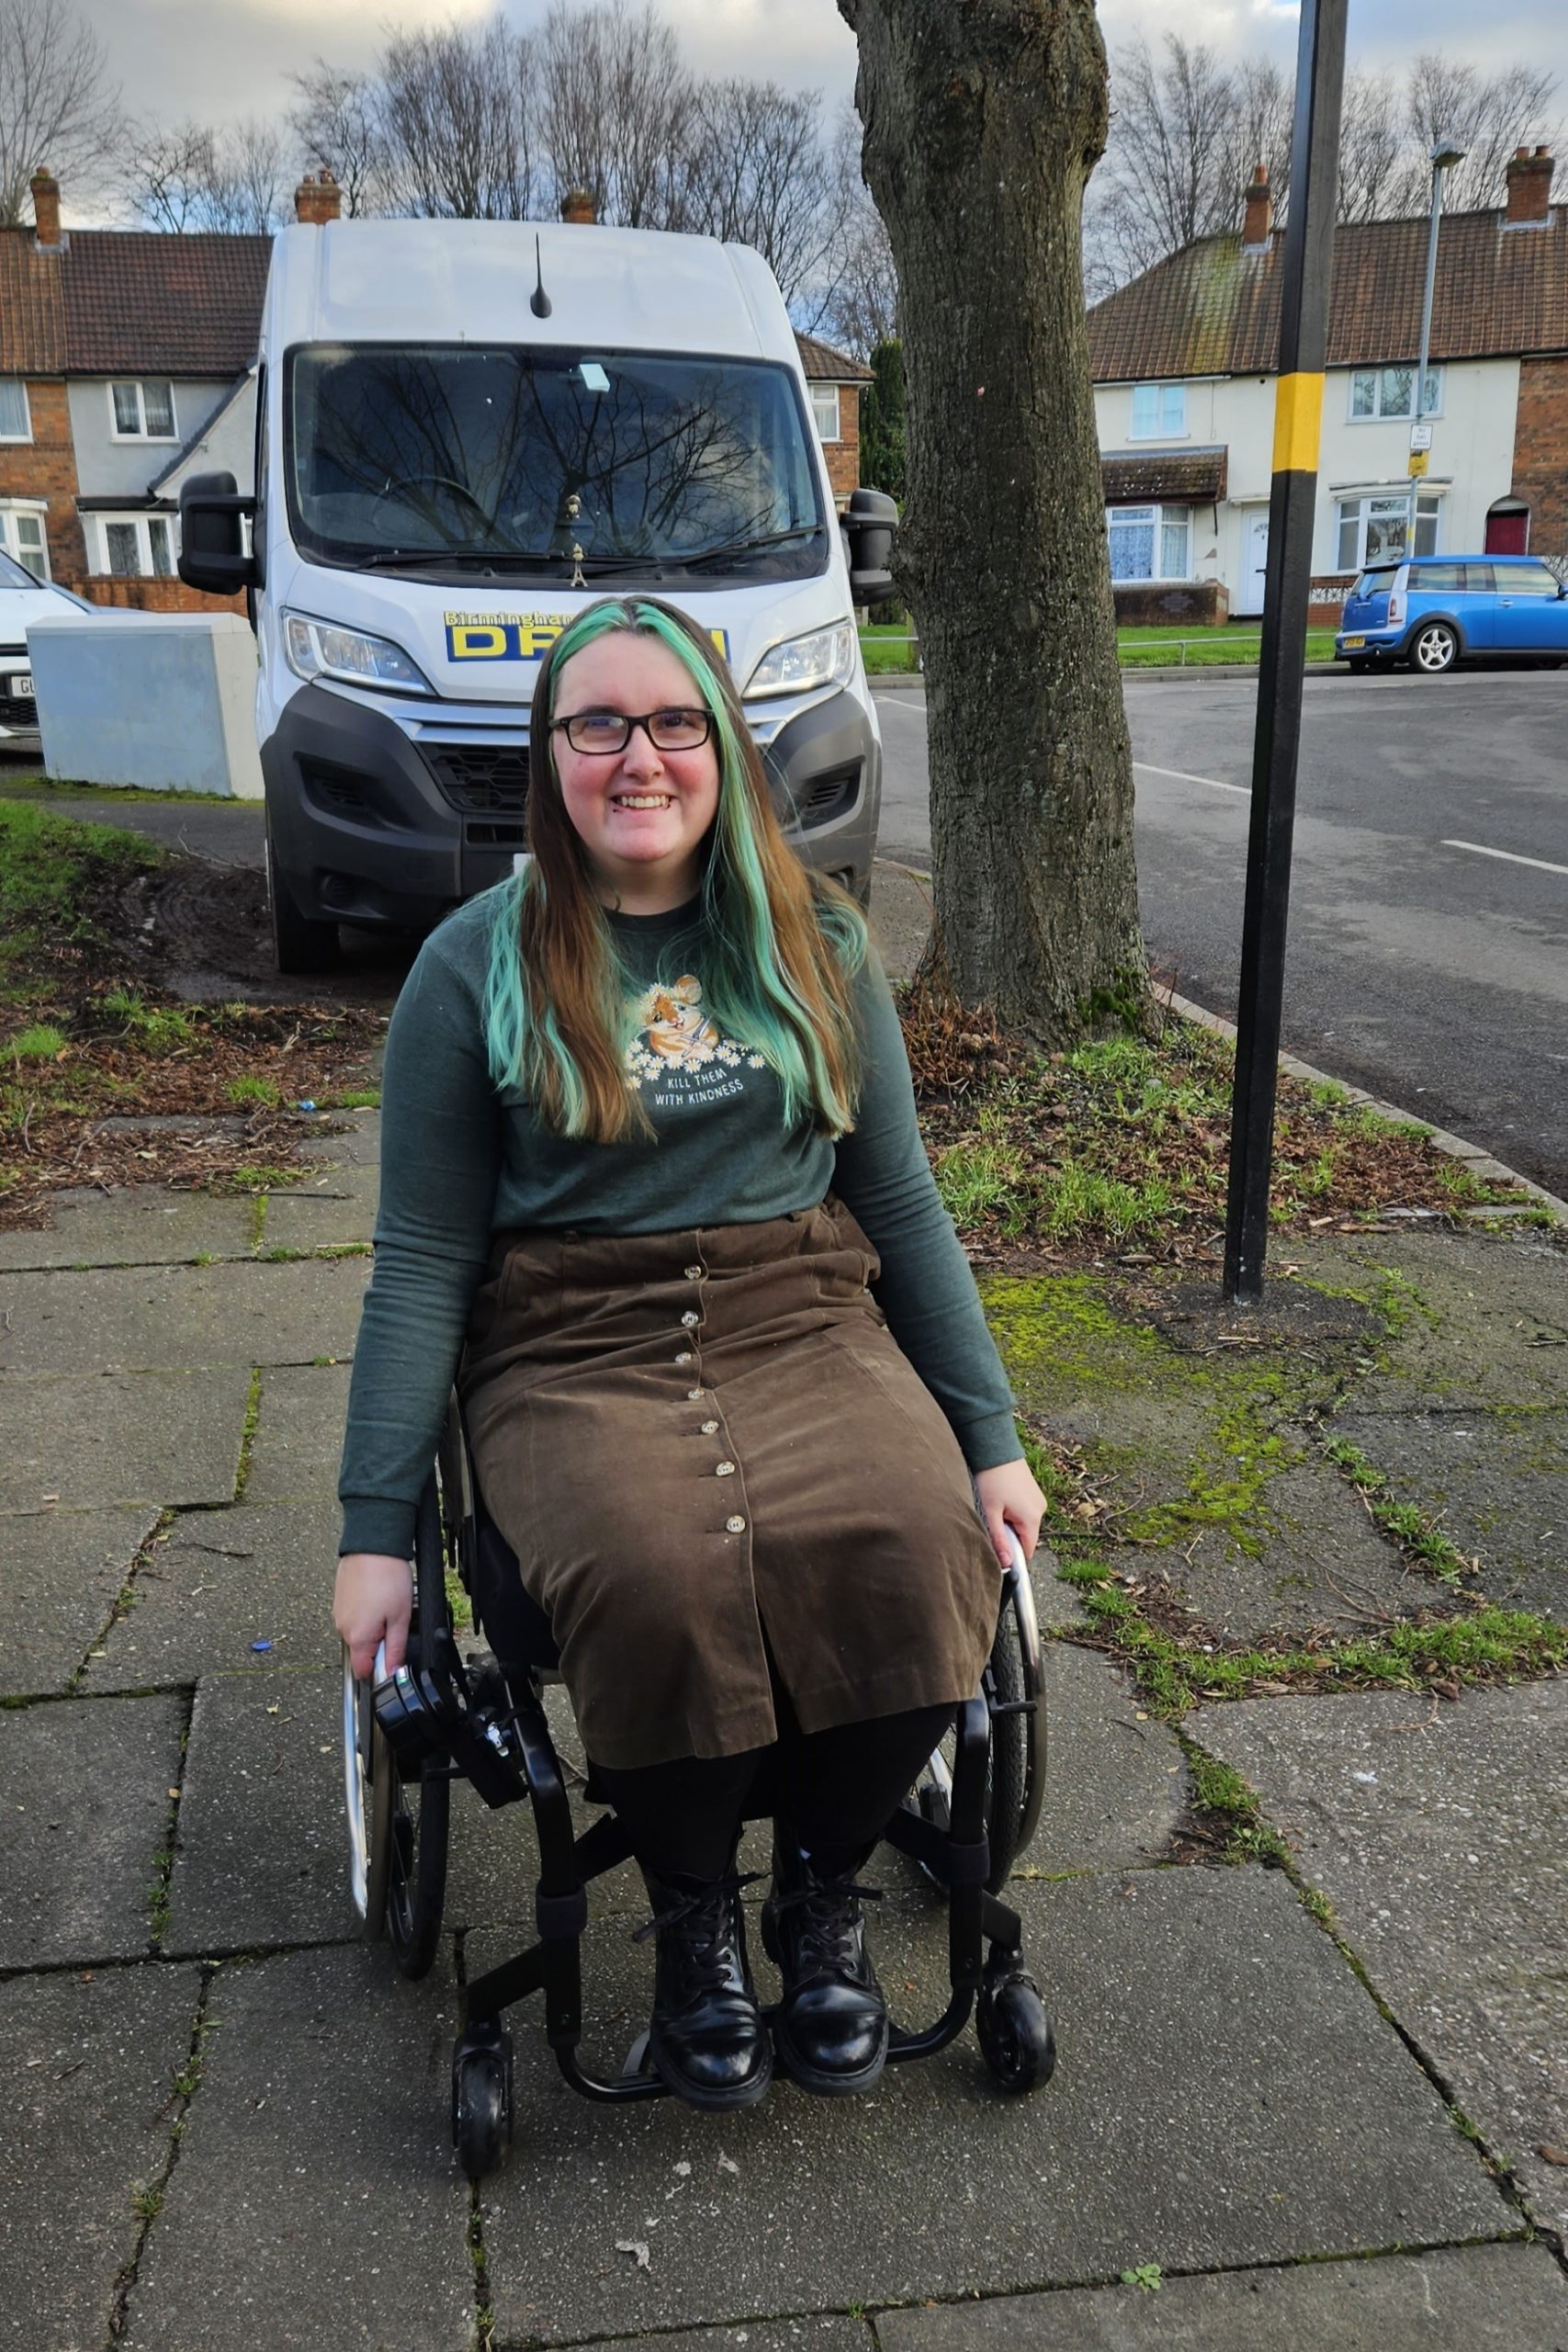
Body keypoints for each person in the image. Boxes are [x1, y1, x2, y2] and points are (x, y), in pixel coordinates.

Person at [333, 594, 1043, 2113]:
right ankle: (691, 1916)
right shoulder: (473, 970)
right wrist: (373, 1535)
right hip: (569, 1343)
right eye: (598, 724)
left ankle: (818, 1887)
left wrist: (986, 1433)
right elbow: (421, 1264)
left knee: (919, 1543)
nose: (637, 756)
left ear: (722, 748)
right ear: (551, 756)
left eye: (674, 722)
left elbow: (898, 1200)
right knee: (654, 1566)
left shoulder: (818, 943)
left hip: (798, 1311)